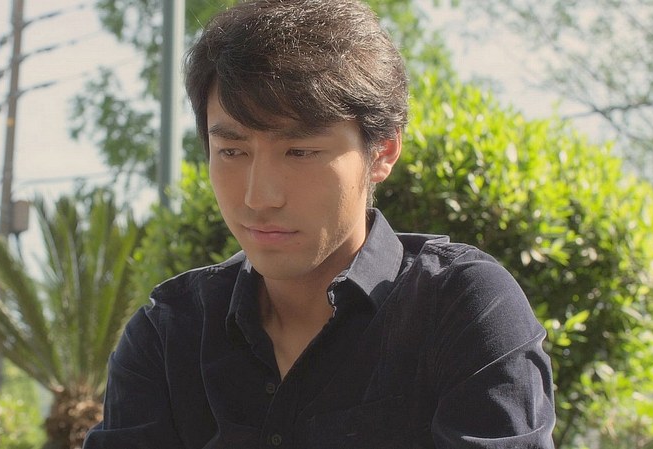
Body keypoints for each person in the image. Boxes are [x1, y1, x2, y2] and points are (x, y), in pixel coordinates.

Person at [84, 0, 556, 447]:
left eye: (300, 151)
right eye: (232, 151)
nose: (258, 197)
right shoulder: (168, 335)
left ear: (383, 151)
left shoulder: (462, 309)